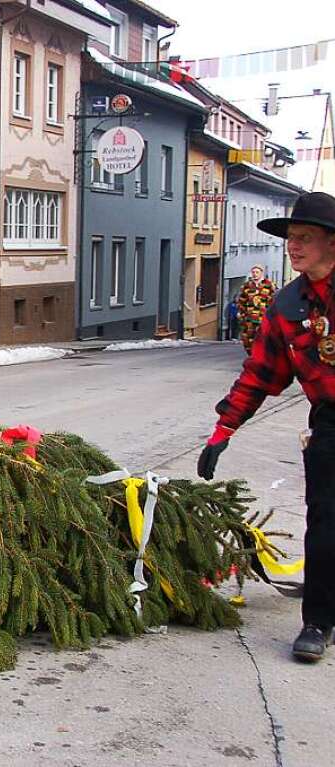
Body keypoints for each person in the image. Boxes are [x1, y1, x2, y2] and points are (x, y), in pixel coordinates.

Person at [197, 191, 335, 662]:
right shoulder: (287, 305)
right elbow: (259, 375)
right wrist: (223, 431)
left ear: (331, 243)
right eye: (291, 239)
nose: (293, 247)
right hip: (330, 424)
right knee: (324, 523)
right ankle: (318, 621)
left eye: (305, 238)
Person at [235, 264, 276, 353]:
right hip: (249, 319)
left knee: (263, 340)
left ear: (261, 273)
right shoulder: (247, 286)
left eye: (257, 272)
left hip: (263, 318)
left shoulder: (269, 285)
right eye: (253, 272)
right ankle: (252, 356)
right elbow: (241, 301)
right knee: (248, 341)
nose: (255, 274)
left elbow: (274, 301)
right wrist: (241, 315)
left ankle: (261, 358)